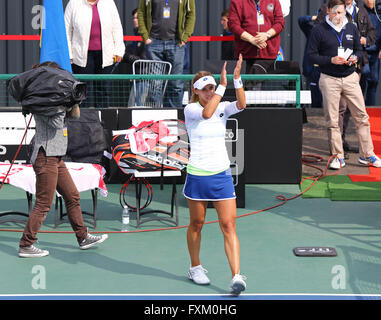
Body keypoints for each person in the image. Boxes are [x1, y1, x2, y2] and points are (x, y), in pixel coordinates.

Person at [16, 62, 108, 258]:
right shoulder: (41, 101)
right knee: (43, 203)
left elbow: (74, 116)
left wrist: (72, 99)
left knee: (72, 196)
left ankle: (83, 237)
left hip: (55, 158)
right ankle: (26, 244)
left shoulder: (54, 99)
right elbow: (57, 122)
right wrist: (63, 102)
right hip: (45, 156)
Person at [183, 54, 247, 295]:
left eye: (212, 88)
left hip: (221, 175)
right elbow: (207, 114)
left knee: (228, 224)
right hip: (197, 175)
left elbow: (241, 105)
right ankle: (195, 267)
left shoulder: (222, 107)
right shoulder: (190, 109)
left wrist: (236, 80)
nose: (210, 92)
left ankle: (236, 276)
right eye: (206, 89)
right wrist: (222, 85)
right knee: (196, 224)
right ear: (196, 91)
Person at [307, 0, 381, 170]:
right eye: (335, 12)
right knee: (333, 120)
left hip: (350, 78)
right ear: (328, 11)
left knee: (362, 117)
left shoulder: (351, 28)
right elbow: (311, 56)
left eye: (341, 13)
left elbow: (358, 49)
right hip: (329, 79)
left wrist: (355, 58)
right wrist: (330, 60)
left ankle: (367, 154)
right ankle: (338, 156)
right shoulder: (319, 30)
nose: (338, 16)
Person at [65, 0, 125, 108]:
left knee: (104, 91)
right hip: (81, 56)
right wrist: (69, 54)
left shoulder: (109, 3)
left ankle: (103, 121)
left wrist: (119, 50)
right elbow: (66, 30)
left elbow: (117, 28)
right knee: (82, 91)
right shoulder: (73, 3)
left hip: (106, 56)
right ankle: (83, 121)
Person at [137, 0, 196, 108]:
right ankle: (157, 118)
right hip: (154, 42)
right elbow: (141, 12)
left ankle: (174, 117)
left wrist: (185, 37)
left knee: (176, 84)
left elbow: (191, 14)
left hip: (176, 43)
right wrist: (145, 37)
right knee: (155, 84)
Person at [228, 0, 285, 75]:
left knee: (269, 86)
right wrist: (251, 39)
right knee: (246, 85)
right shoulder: (237, 2)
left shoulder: (274, 1)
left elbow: (280, 23)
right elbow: (233, 25)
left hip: (269, 54)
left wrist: (266, 35)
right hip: (245, 54)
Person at [298, 14, 323, 108]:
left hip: (326, 69)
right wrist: (313, 18)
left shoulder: (331, 31)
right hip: (313, 69)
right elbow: (301, 20)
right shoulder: (311, 31)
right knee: (314, 97)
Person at [362, 0, 381, 106]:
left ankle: (371, 108)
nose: (370, 0)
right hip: (363, 50)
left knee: (373, 80)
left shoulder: (379, 11)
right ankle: (360, 109)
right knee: (363, 76)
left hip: (375, 51)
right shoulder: (360, 10)